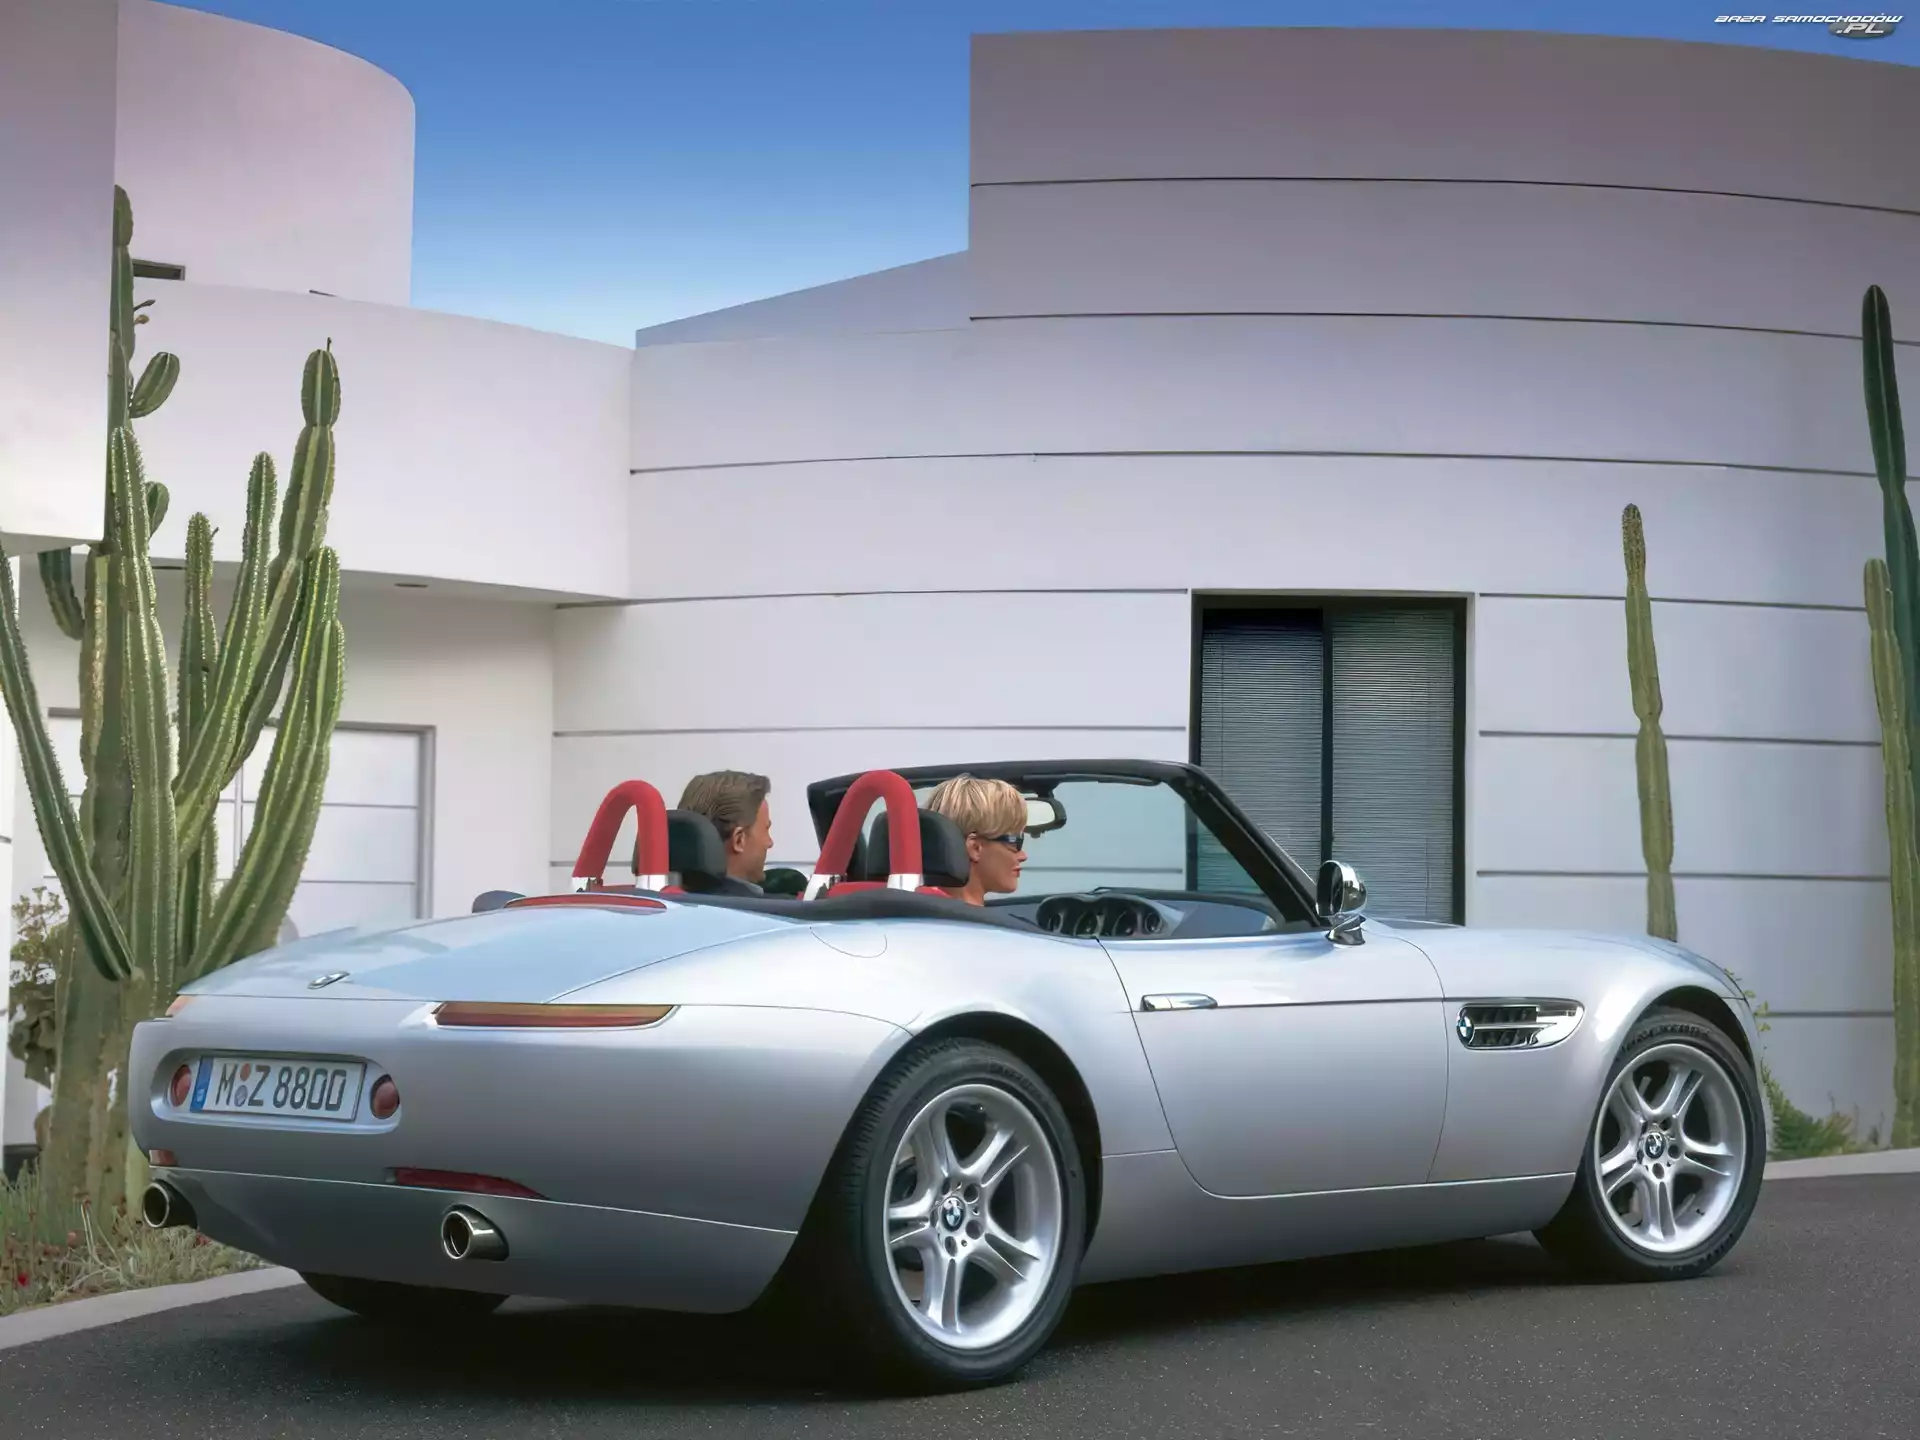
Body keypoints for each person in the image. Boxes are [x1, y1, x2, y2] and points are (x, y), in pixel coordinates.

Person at [924, 773, 1028, 906]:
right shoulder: (967, 918)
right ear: (975, 848)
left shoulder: (919, 908)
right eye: (1015, 842)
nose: (1023, 856)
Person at [677, 770, 775, 892]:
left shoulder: (660, 898)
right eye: (766, 829)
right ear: (739, 839)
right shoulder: (771, 903)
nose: (770, 843)